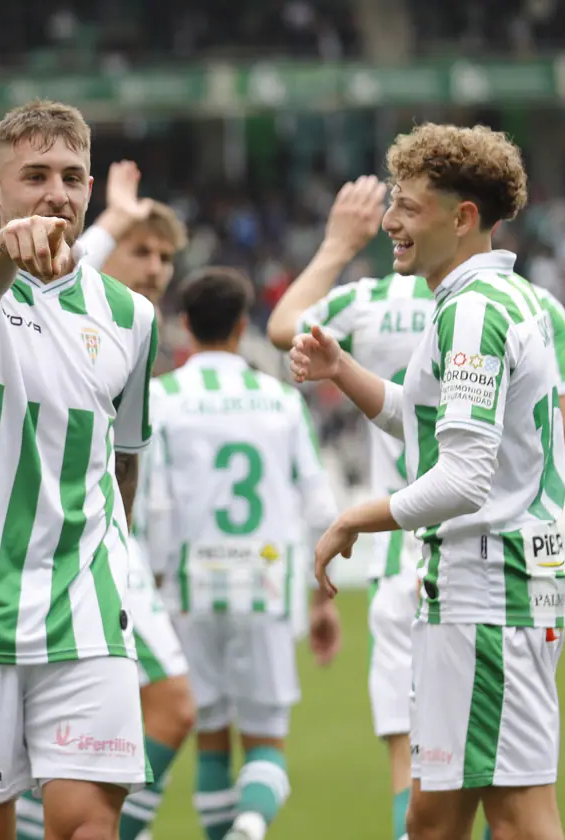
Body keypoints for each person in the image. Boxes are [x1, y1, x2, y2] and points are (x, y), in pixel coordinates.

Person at [290, 123, 565, 840]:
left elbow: (465, 479)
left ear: (463, 217)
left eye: (409, 208)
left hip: (490, 593)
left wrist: (355, 518)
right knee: (432, 817)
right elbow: (421, 428)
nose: (390, 222)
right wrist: (342, 370)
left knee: (516, 818)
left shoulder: (473, 312)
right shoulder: (490, 302)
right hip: (483, 591)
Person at [0, 99, 159, 840]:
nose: (56, 192)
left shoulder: (131, 317)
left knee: (86, 828)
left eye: (73, 177)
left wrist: (116, 571)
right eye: (35, 175)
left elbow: (126, 464)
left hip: (84, 609)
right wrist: (3, 251)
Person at [14, 161, 194, 840]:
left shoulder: (131, 331)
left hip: (116, 559)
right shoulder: (48, 306)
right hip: (56, 554)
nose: (154, 267)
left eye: (165, 256)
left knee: (121, 728)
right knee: (173, 706)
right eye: (139, 250)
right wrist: (113, 212)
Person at [143, 267, 342, 840]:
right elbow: (317, 505)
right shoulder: (280, 401)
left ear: (184, 326)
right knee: (264, 738)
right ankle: (250, 827)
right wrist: (322, 600)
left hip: (189, 585)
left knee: (209, 734)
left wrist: (154, 584)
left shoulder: (163, 398)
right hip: (265, 584)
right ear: (241, 325)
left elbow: (153, 504)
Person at [266, 176, 434, 840]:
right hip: (491, 546)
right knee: (494, 772)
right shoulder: (517, 300)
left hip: (400, 548)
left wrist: (338, 244)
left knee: (409, 757)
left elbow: (284, 328)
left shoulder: (369, 301)